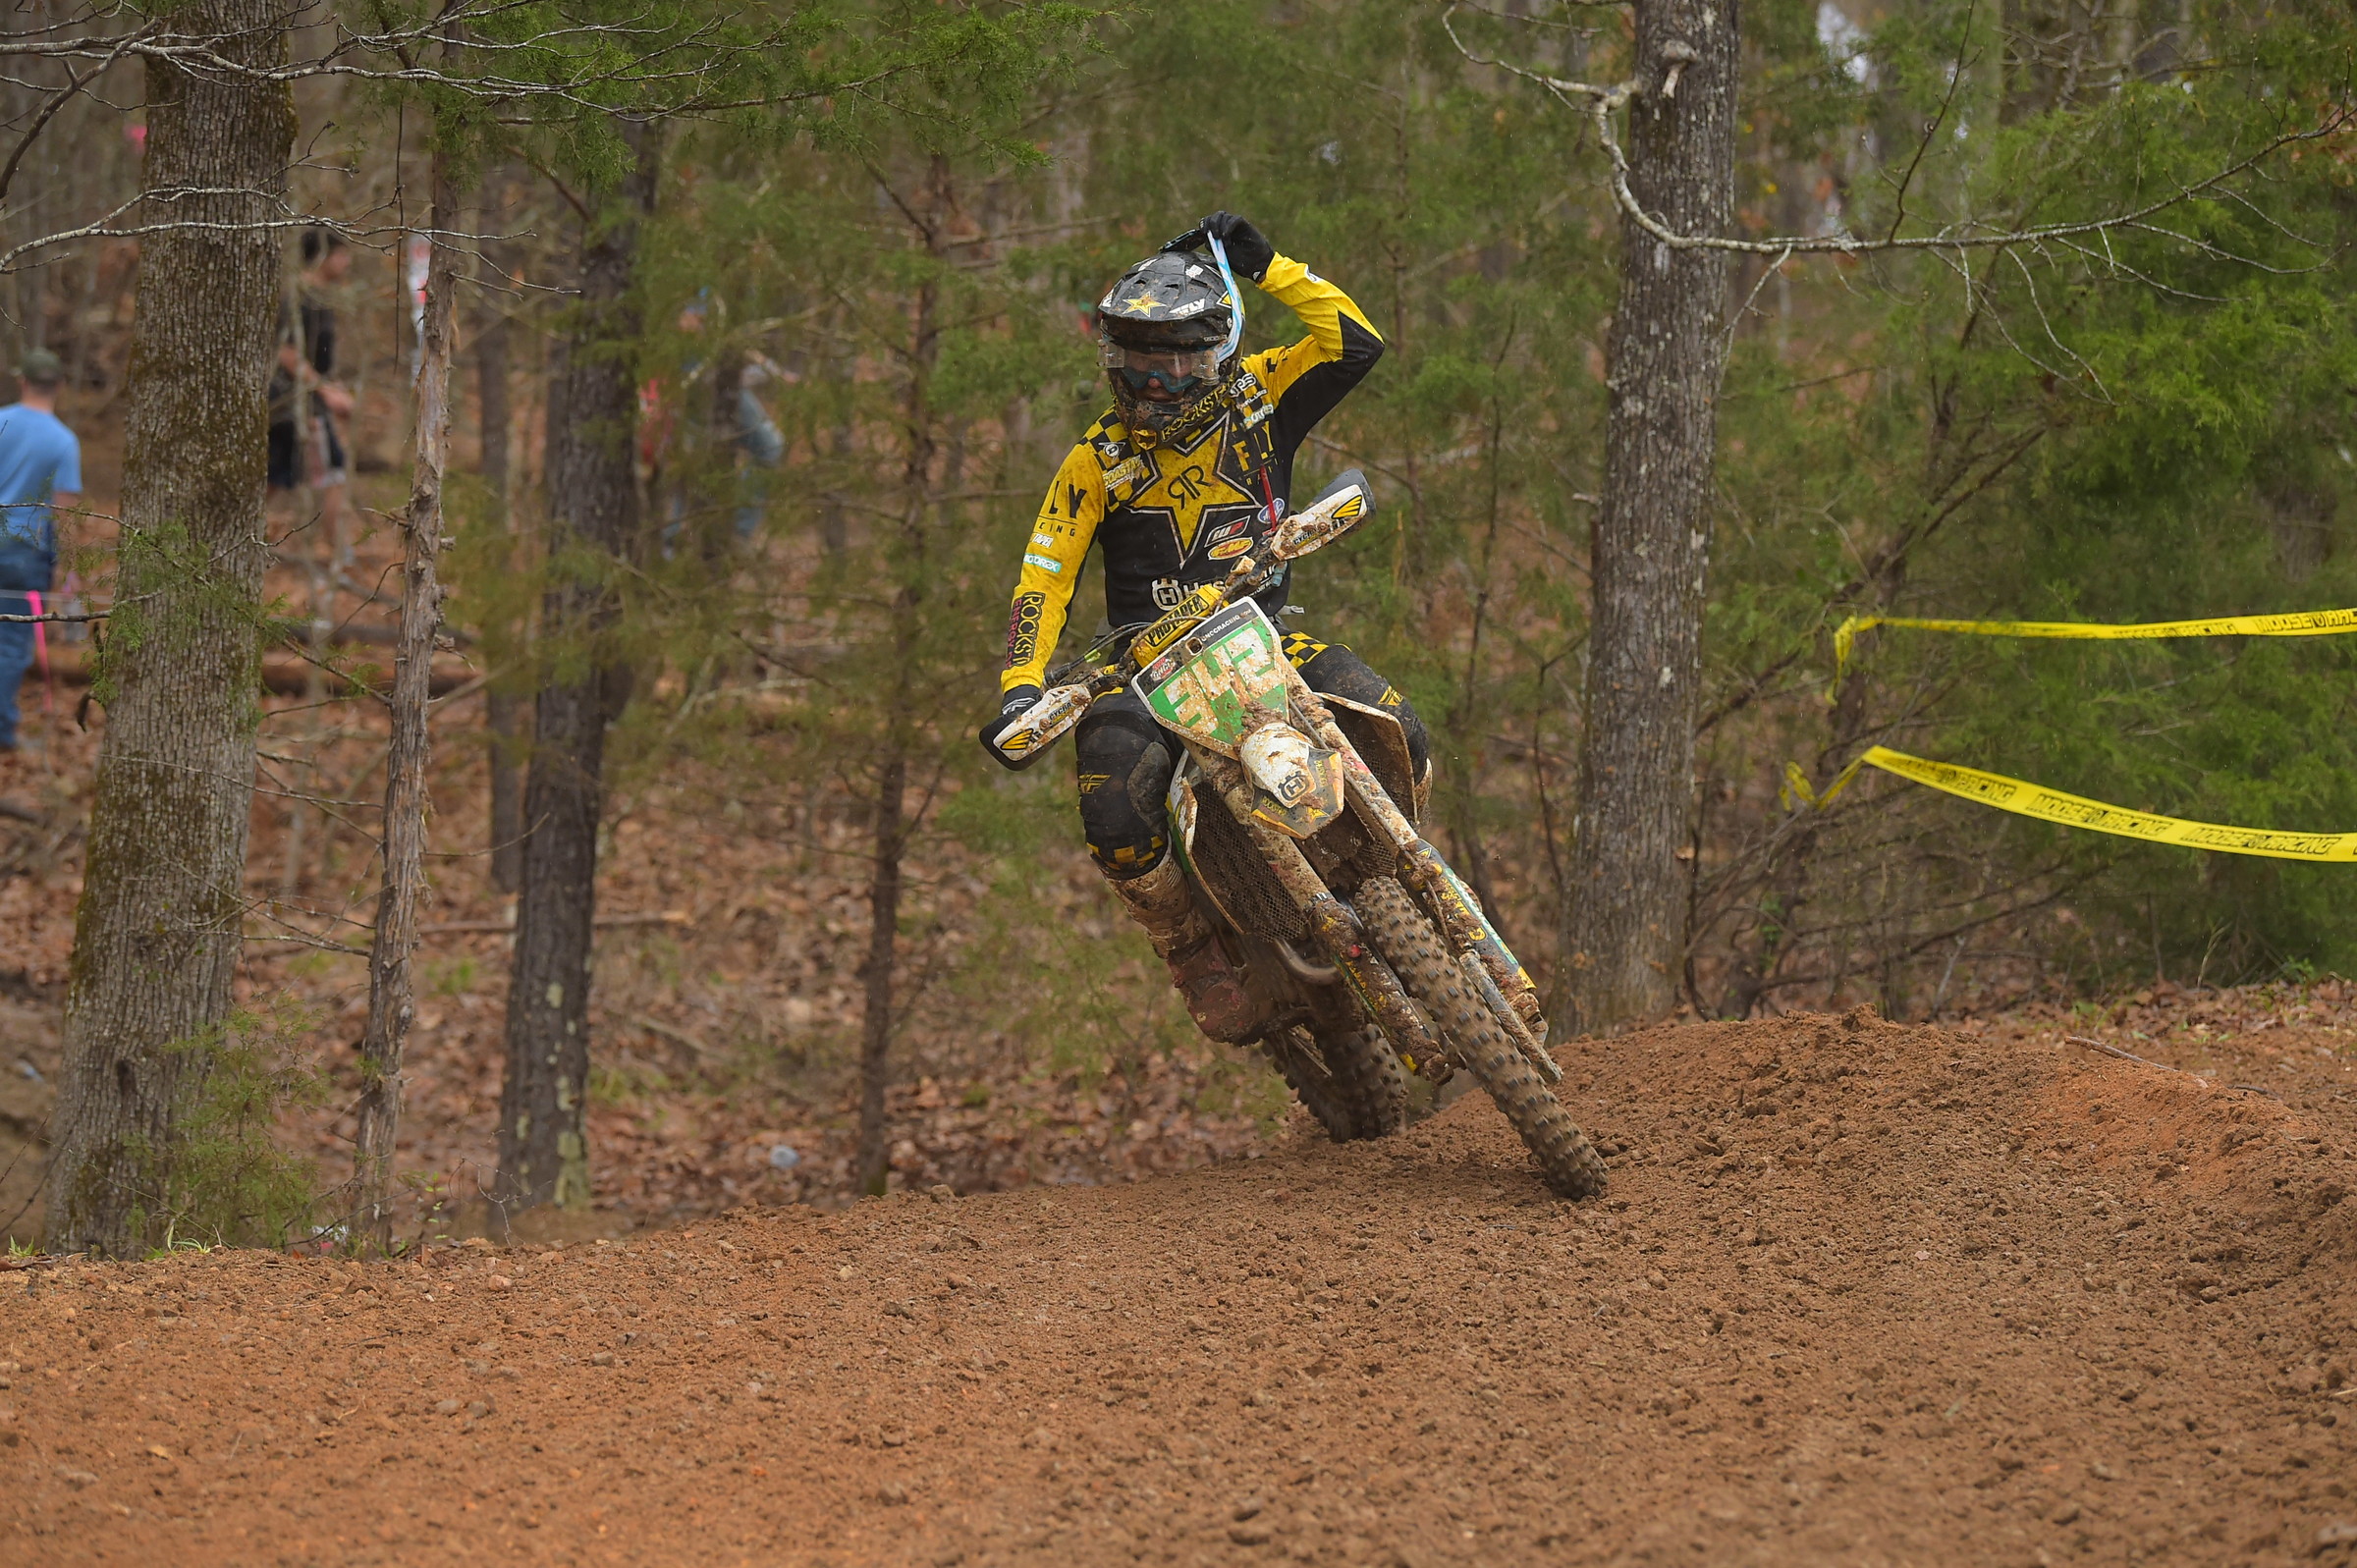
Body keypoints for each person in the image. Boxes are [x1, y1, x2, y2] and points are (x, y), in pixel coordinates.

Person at [978, 212, 1429, 1043]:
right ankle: (1189, 944)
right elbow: (1043, 575)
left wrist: (1268, 265)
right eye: (1138, 367)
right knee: (1110, 797)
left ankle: (1400, 874)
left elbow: (1355, 342)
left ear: (1216, 357)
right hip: (1144, 676)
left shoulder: (1260, 396)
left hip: (1261, 638)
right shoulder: (1097, 460)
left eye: (1179, 365)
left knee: (1396, 722)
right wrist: (1021, 686)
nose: (1157, 387)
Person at [0, 350, 81, 751]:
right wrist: (70, 571)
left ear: (23, 381)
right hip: (23, 552)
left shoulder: (0, 420)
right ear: (59, 386)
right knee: (12, 642)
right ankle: (2, 732)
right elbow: (63, 512)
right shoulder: (63, 440)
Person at [268, 229, 356, 536]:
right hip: (293, 404)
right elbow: (289, 355)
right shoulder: (300, 298)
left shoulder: (319, 299)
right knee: (333, 471)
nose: (347, 262)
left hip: (302, 401)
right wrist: (326, 392)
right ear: (322, 256)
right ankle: (338, 557)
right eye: (341, 255)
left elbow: (317, 358)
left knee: (275, 476)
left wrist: (334, 386)